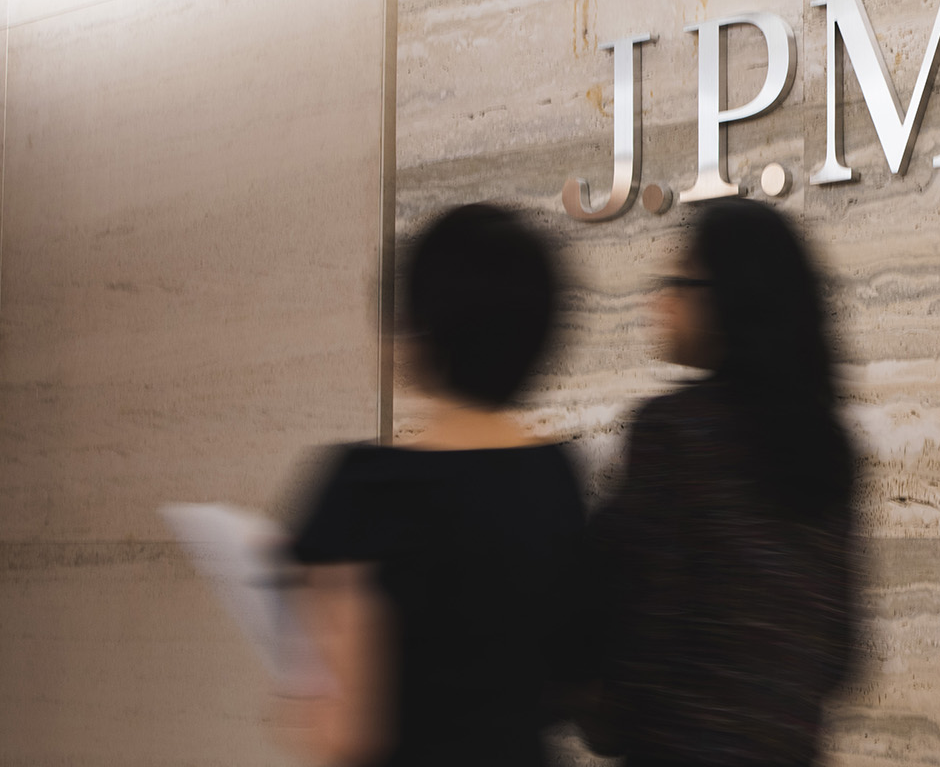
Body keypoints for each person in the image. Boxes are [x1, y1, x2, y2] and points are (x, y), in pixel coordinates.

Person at [289, 203, 585, 767]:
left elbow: (342, 733)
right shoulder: (557, 476)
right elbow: (570, 674)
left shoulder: (368, 488)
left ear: (425, 327)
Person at [585, 197, 860, 767]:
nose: (660, 301)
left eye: (679, 283)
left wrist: (603, 719)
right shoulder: (825, 445)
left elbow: (647, 625)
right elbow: (838, 654)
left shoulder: (677, 432)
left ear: (728, 299)